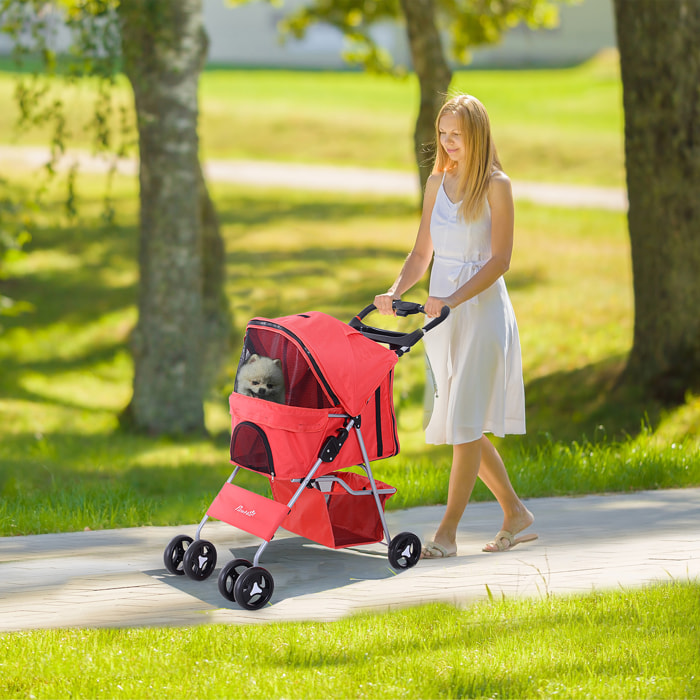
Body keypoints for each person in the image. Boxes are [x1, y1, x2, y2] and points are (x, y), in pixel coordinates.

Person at [374, 93, 537, 557]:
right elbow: (421, 252)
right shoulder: (436, 183)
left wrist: (452, 299)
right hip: (440, 316)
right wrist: (397, 289)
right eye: (443, 135)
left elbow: (500, 260)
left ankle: (446, 533)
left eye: (457, 136)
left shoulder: (497, 186)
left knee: (463, 423)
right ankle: (517, 514)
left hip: (480, 313)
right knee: (458, 420)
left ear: (478, 135)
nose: (448, 144)